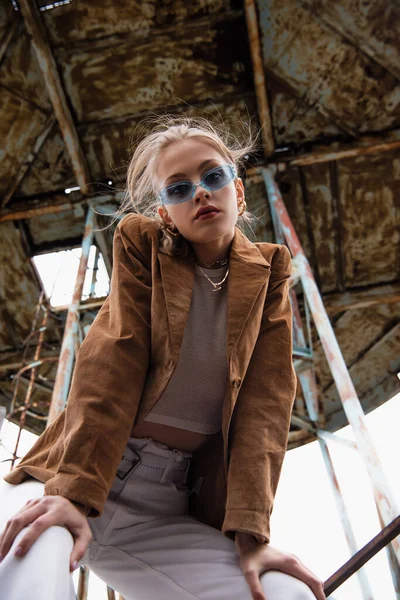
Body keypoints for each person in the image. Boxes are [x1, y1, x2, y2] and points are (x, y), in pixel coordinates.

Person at [0, 116, 325, 600]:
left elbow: (266, 407)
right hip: (75, 470)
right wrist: (73, 494)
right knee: (31, 558)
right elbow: (114, 360)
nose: (200, 192)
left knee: (283, 592)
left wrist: (251, 536)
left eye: (212, 177)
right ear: (165, 213)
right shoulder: (142, 244)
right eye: (179, 188)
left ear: (237, 192)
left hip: (166, 505)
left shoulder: (269, 274)